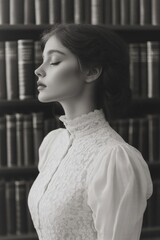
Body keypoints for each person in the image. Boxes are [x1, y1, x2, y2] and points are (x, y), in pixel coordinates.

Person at [27, 23, 153, 240]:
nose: (39, 69)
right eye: (43, 59)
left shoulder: (115, 159)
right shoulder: (52, 144)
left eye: (55, 61)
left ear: (92, 71)